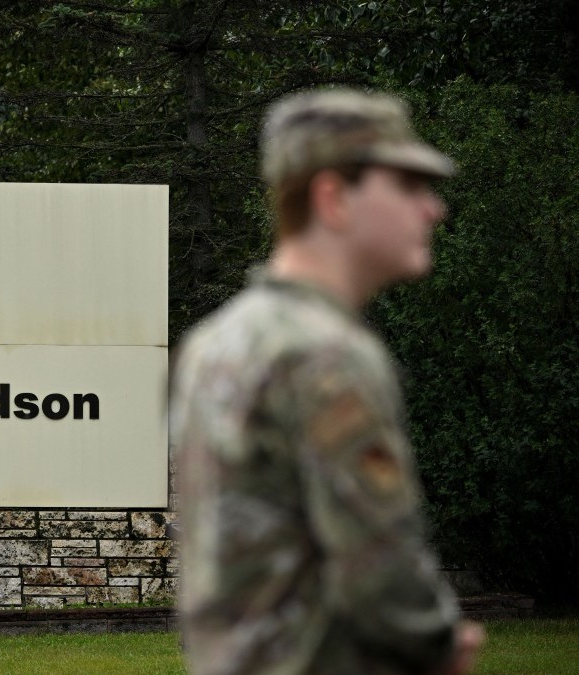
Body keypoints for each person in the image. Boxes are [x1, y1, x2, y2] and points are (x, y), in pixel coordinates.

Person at [169, 89, 486, 675]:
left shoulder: (213, 343)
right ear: (333, 198)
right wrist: (436, 643)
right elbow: (381, 564)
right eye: (408, 186)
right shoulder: (325, 355)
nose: (433, 209)